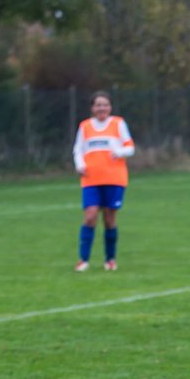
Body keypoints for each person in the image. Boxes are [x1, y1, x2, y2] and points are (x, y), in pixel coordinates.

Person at [72, 91, 135, 271]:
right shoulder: (85, 126)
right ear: (92, 108)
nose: (102, 108)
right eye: (98, 105)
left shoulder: (118, 123)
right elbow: (78, 149)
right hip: (91, 179)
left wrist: (119, 152)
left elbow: (130, 147)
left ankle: (110, 259)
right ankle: (83, 260)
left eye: (105, 105)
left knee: (109, 220)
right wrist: (80, 164)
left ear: (110, 107)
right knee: (90, 216)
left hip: (114, 178)